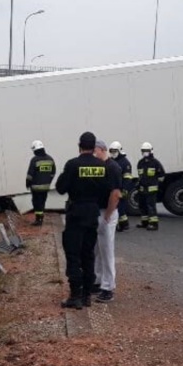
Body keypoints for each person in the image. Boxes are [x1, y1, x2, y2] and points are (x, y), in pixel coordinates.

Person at [55, 131, 117, 310]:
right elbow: (107, 189)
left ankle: (75, 296)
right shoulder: (102, 166)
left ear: (79, 146)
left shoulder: (73, 165)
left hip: (76, 213)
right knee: (88, 254)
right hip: (93, 213)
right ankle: (87, 296)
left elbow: (60, 188)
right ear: (93, 147)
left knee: (73, 255)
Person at [93, 140, 122, 303]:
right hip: (100, 212)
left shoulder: (113, 168)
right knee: (97, 250)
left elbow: (116, 194)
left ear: (102, 150)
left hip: (107, 213)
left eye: (95, 151)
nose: (93, 154)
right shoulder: (100, 168)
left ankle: (108, 287)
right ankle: (98, 282)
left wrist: (108, 215)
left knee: (107, 251)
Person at [25, 140, 56, 226]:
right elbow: (53, 172)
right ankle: (40, 217)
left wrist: (27, 183)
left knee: (36, 202)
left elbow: (30, 174)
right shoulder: (50, 159)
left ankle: (38, 220)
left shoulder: (35, 160)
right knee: (42, 202)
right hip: (46, 187)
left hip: (36, 187)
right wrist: (49, 181)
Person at [136, 142, 165, 231]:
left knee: (151, 206)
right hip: (142, 189)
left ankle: (153, 224)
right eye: (143, 151)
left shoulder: (155, 163)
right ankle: (144, 222)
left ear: (151, 151)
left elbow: (161, 175)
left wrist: (155, 184)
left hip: (151, 189)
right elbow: (140, 176)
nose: (145, 152)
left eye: (146, 151)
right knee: (142, 206)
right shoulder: (140, 163)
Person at [108, 141, 134, 232]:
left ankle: (122, 225)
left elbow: (127, 178)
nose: (113, 153)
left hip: (121, 188)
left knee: (120, 207)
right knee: (117, 207)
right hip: (114, 188)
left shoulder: (125, 163)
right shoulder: (111, 161)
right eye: (111, 151)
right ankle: (124, 224)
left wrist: (125, 189)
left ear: (119, 151)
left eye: (114, 151)